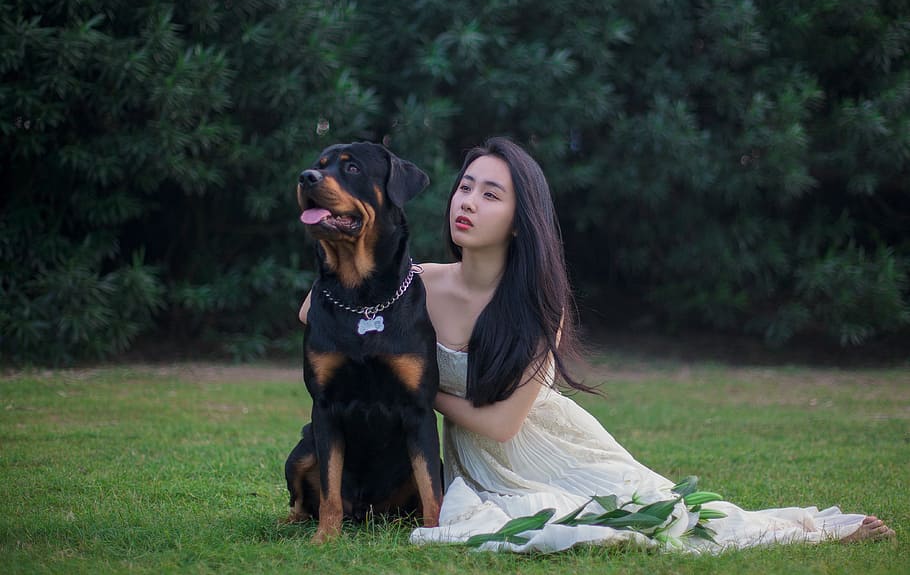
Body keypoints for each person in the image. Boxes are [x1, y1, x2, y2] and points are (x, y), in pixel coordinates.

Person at [302, 137, 895, 553]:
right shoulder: (418, 282)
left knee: (651, 516)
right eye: (465, 188)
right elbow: (314, 309)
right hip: (469, 465)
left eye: (491, 195)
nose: (467, 203)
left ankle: (817, 529)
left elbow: (507, 424)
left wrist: (412, 391)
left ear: (520, 217)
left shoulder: (538, 304)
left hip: (540, 446)